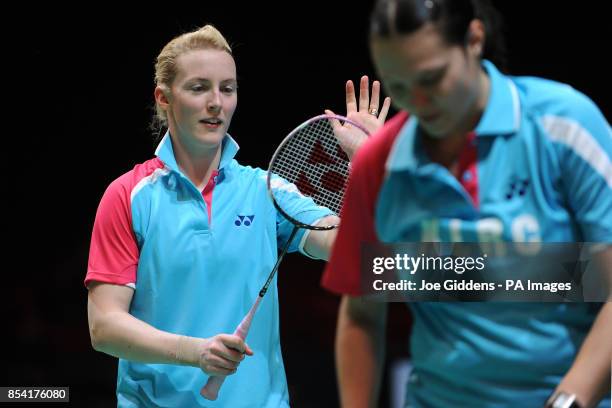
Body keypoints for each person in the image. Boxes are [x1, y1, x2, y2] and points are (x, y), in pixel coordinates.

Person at [321, 0, 612, 407]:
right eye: (400, 87)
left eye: (432, 79)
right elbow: (363, 316)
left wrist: (569, 401)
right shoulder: (380, 165)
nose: (418, 102)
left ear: (474, 40)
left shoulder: (563, 126)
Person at [84, 25, 389, 407]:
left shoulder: (265, 191)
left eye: (227, 89)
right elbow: (104, 327)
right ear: (164, 98)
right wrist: (194, 351)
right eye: (199, 88)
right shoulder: (128, 196)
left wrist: (370, 167)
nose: (216, 102)